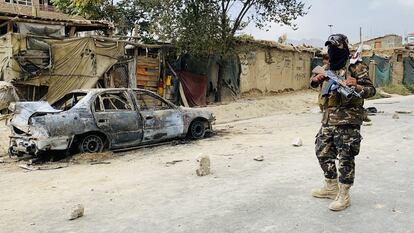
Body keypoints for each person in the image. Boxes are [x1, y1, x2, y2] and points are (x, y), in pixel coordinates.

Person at [309, 34, 376, 211]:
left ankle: (344, 194)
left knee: (346, 156)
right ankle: (331, 187)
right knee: (322, 151)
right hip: (328, 118)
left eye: (336, 47)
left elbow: (371, 90)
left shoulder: (356, 66)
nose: (332, 50)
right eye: (330, 47)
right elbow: (313, 82)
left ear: (344, 47)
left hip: (348, 119)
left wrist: (357, 86)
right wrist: (316, 79)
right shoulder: (328, 66)